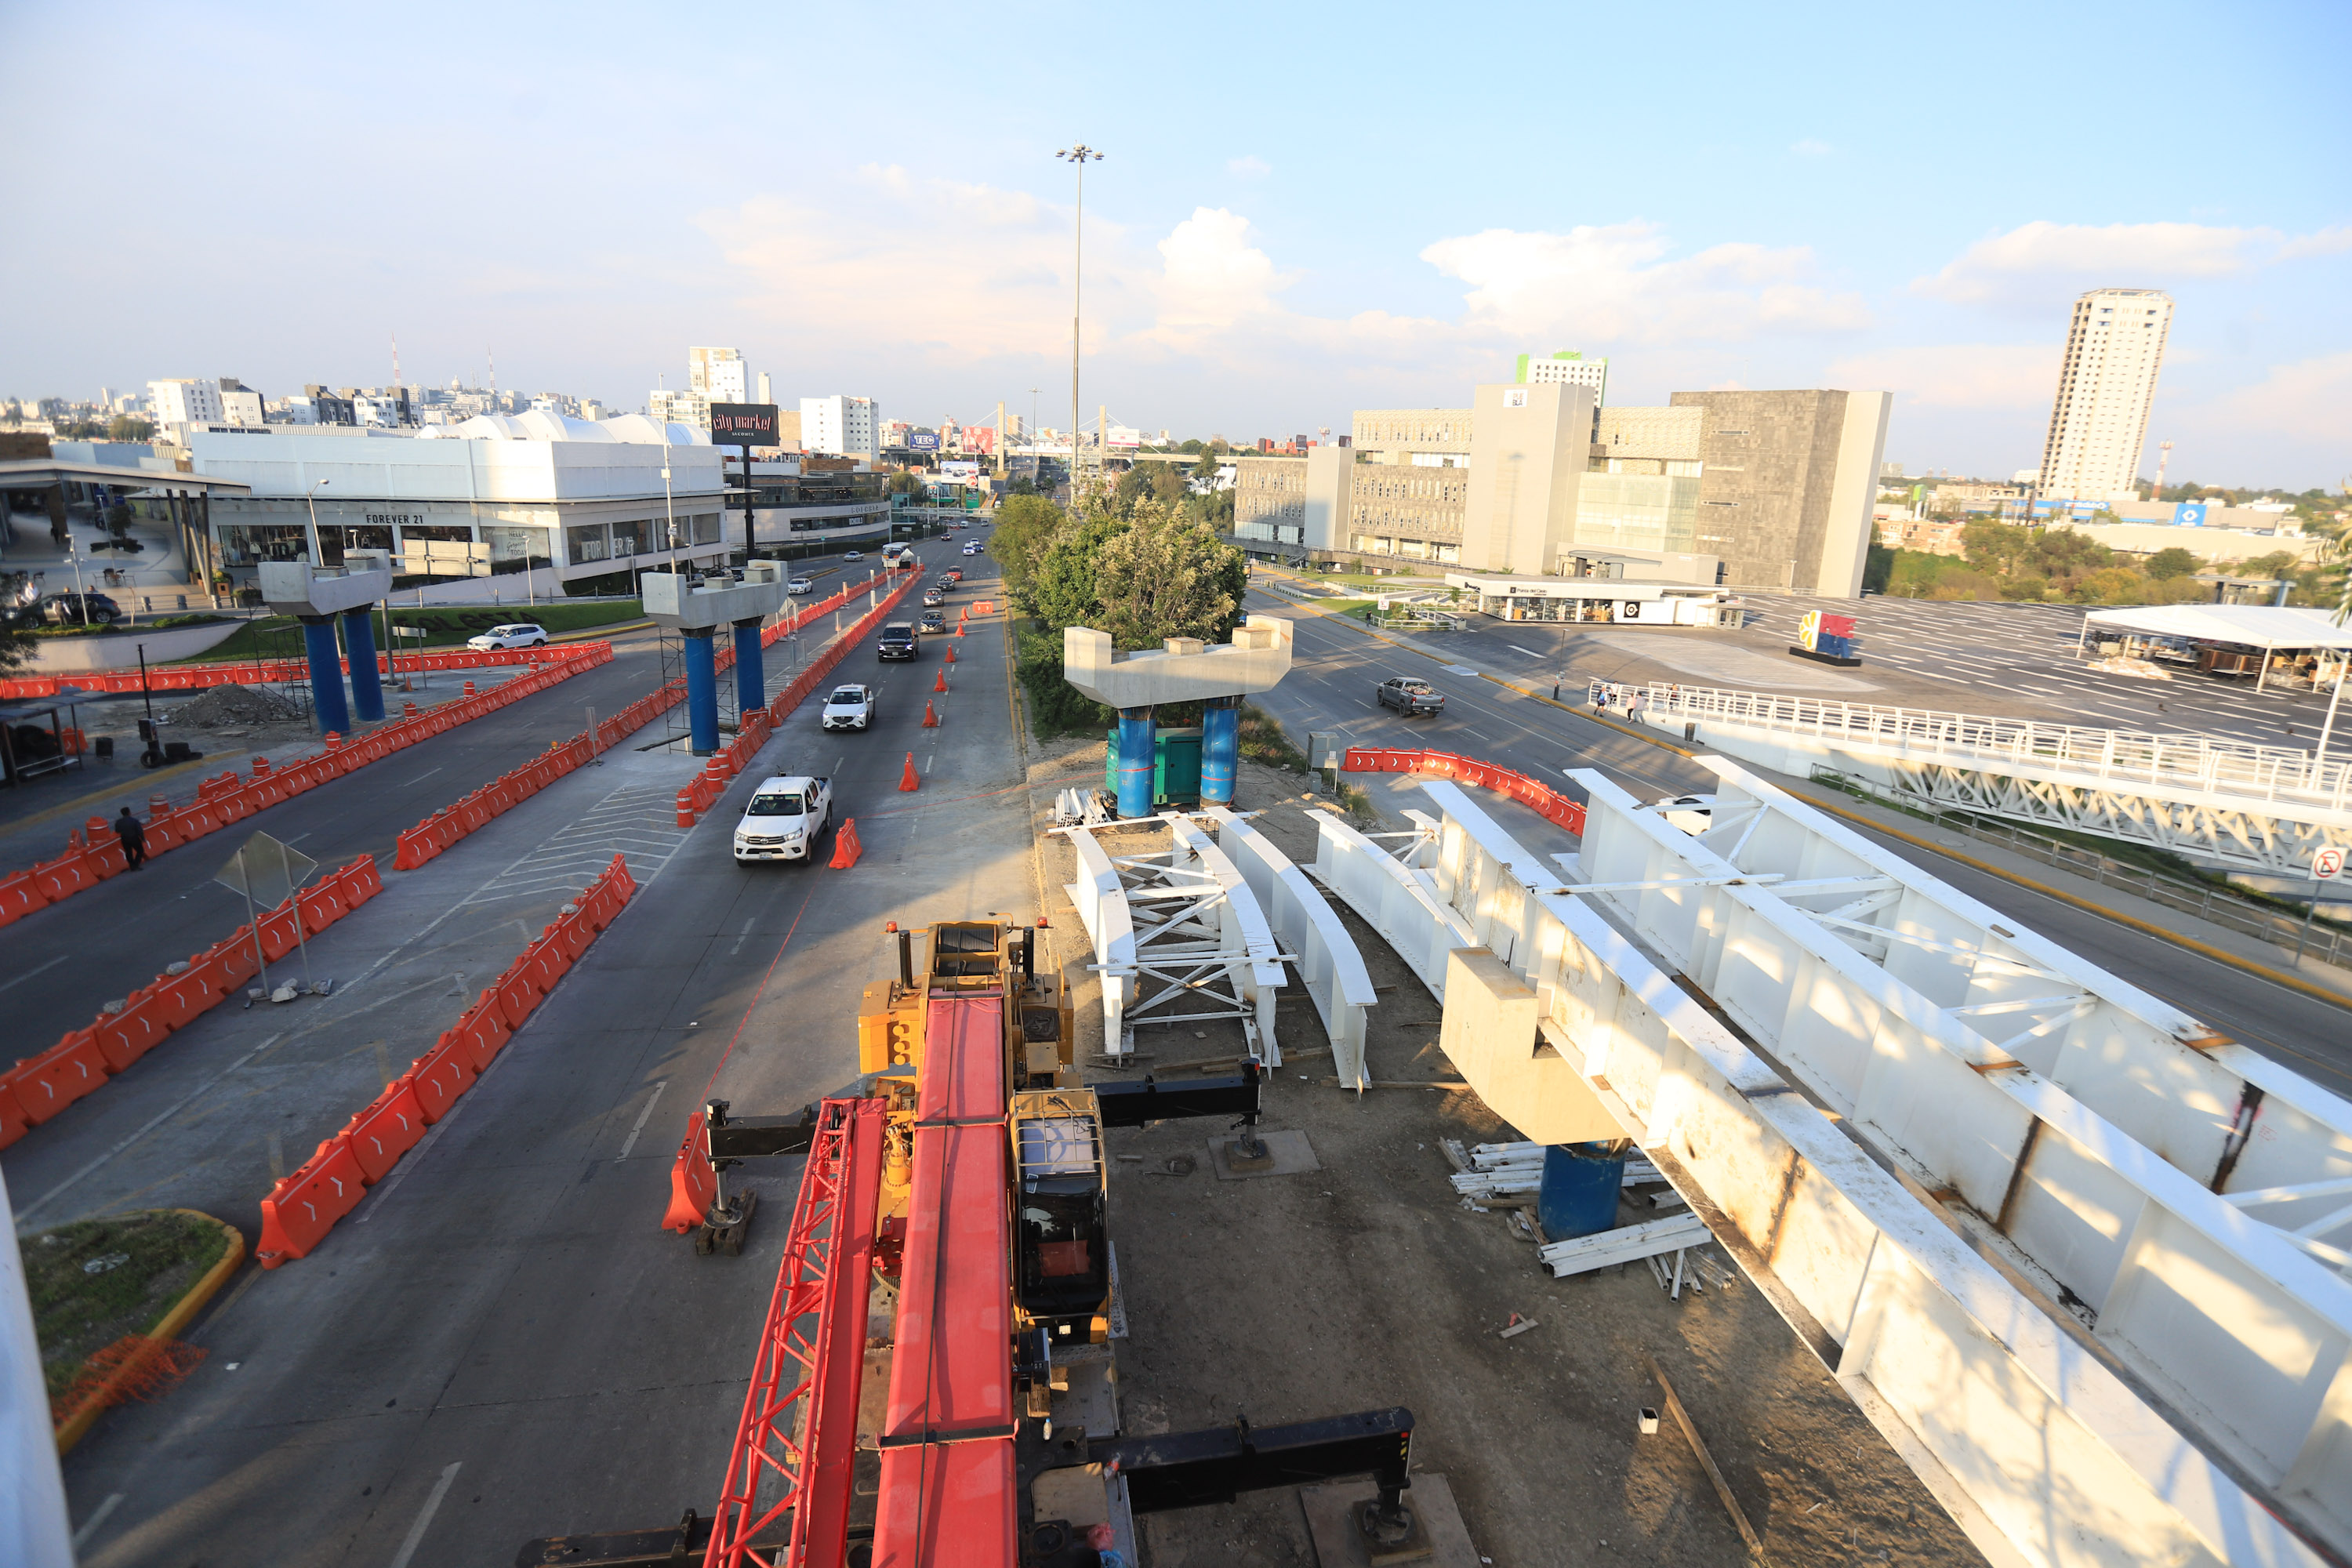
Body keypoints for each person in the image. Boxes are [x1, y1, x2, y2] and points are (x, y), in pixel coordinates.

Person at [113, 805, 146, 870]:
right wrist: (142, 838)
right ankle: (136, 864)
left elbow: (117, 831)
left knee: (128, 853)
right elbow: (139, 830)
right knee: (140, 851)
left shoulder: (118, 822)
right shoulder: (134, 821)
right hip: (134, 838)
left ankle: (132, 865)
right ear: (129, 812)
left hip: (124, 839)